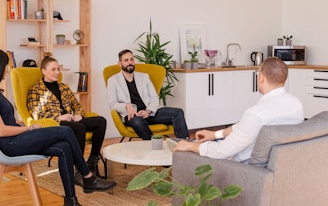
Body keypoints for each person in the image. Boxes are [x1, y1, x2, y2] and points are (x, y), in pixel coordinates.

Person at [0, 50, 116, 206]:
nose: (7, 70)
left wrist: (21, 125)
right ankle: (88, 177)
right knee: (66, 130)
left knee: (63, 147)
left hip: (16, 139)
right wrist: (28, 128)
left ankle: (71, 203)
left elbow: (7, 123)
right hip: (10, 145)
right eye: (5, 66)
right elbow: (2, 131)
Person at [174, 57, 304, 163]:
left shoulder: (256, 114)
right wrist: (215, 134)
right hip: (279, 164)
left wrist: (191, 146)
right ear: (284, 79)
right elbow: (245, 127)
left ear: (262, 78)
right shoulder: (296, 104)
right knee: (212, 141)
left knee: (192, 148)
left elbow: (222, 152)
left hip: (243, 168)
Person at [27, 55, 106, 184]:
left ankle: (92, 161)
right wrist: (58, 117)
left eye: (58, 69)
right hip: (55, 123)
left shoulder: (64, 87)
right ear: (43, 71)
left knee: (100, 121)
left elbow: (76, 104)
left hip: (71, 120)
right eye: (53, 69)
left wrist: (78, 115)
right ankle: (79, 171)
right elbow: (36, 115)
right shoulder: (36, 90)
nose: (57, 72)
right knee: (79, 127)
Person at [107, 49, 190, 140]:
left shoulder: (144, 77)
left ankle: (185, 144)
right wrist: (127, 105)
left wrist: (148, 111)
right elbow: (112, 104)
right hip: (132, 116)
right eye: (126, 60)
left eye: (132, 59)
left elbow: (154, 97)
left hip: (149, 113)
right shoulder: (113, 81)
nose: (130, 62)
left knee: (178, 112)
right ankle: (154, 146)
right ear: (119, 63)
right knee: (138, 122)